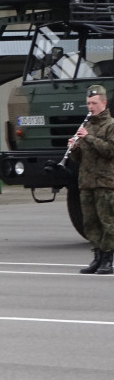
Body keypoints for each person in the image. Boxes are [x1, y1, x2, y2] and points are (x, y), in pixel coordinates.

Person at [70, 84, 114, 275]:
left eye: (94, 103)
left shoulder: (111, 125)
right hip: (86, 182)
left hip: (105, 182)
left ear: (103, 103)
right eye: (88, 103)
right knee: (90, 222)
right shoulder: (86, 126)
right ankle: (96, 257)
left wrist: (88, 138)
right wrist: (74, 149)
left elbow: (109, 151)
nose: (91, 107)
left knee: (108, 222)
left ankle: (108, 258)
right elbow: (81, 158)